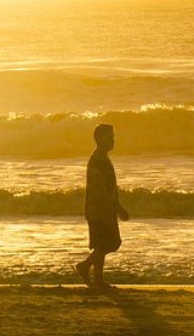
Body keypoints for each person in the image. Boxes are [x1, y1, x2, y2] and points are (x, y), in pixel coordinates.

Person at [74, 123, 130, 290]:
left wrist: (118, 207)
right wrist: (106, 211)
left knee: (101, 244)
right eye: (109, 137)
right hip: (99, 209)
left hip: (106, 208)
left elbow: (110, 188)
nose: (113, 140)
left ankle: (98, 280)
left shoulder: (103, 158)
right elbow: (98, 189)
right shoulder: (97, 160)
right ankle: (84, 266)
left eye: (113, 137)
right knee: (111, 242)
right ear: (99, 139)